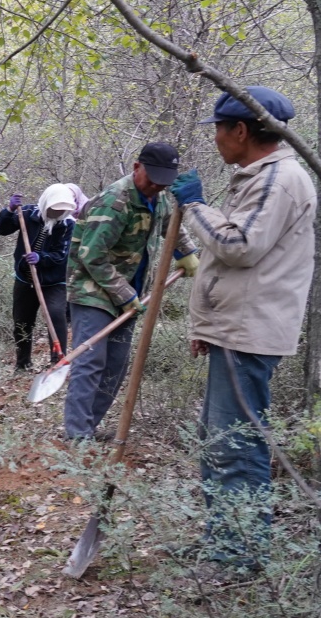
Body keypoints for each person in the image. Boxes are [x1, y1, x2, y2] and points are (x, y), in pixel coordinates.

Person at [175, 86, 315, 569]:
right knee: (218, 441)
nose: (215, 138)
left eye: (218, 128)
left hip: (249, 334)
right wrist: (207, 324)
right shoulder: (258, 177)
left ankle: (239, 554)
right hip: (234, 329)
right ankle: (223, 541)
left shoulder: (279, 180)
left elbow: (239, 247)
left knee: (235, 444)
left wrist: (195, 206)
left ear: (241, 130)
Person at [63, 141, 199, 441]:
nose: (156, 187)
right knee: (91, 361)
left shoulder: (160, 197)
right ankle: (76, 435)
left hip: (132, 293)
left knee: (116, 365)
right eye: (151, 179)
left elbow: (170, 227)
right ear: (137, 167)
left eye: (163, 182)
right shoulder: (115, 201)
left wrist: (187, 253)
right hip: (93, 291)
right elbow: (91, 255)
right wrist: (124, 294)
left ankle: (89, 426)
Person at [0, 183, 85, 371]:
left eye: (62, 209)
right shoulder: (26, 213)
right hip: (25, 280)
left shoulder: (68, 224)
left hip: (54, 282)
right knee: (22, 321)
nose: (58, 212)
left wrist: (41, 258)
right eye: (54, 208)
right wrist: (9, 210)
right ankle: (23, 363)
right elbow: (2, 230)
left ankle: (57, 361)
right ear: (46, 204)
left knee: (56, 316)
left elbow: (62, 255)